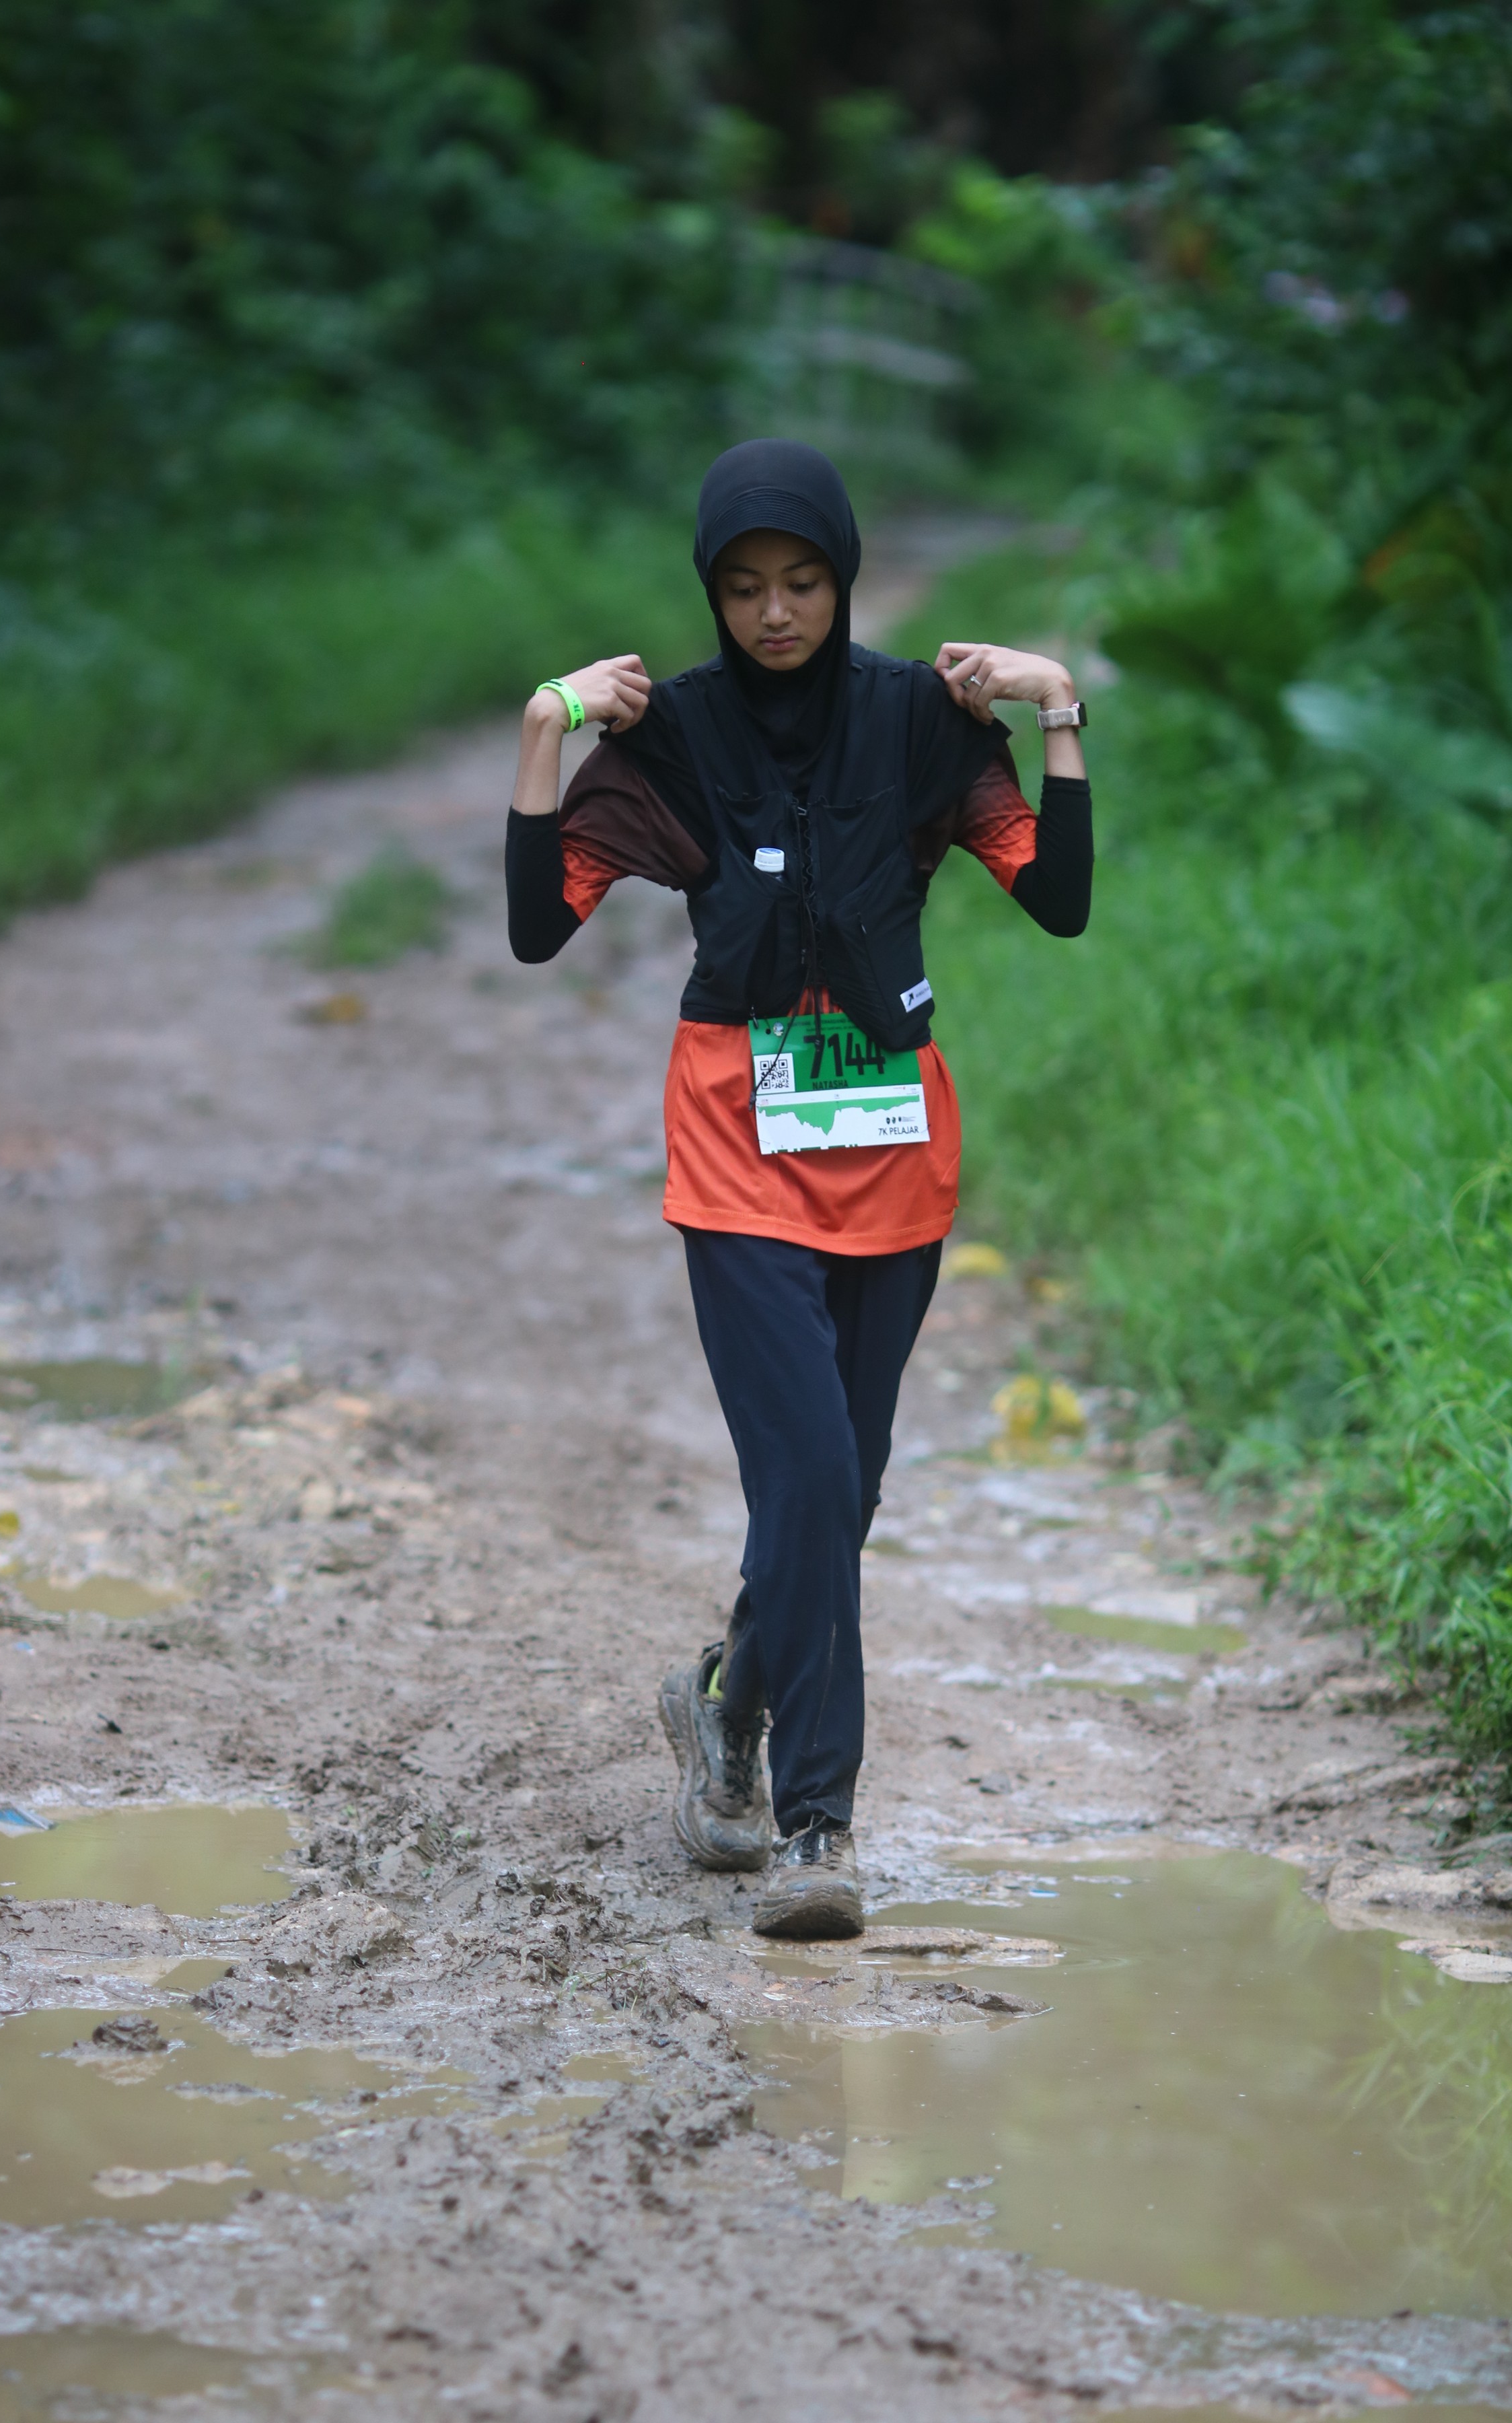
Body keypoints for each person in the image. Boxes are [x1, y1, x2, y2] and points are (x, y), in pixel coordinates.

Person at [505, 440, 1092, 1938]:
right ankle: (819, 1831)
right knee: (814, 1478)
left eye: (805, 582)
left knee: (845, 1490)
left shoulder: (920, 722)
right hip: (737, 1153)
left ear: (844, 579)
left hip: (894, 1157)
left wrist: (1058, 711)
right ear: (712, 596)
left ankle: (724, 1700)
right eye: (746, 587)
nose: (776, 613)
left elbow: (1061, 898)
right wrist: (544, 731)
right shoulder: (678, 736)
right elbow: (537, 925)